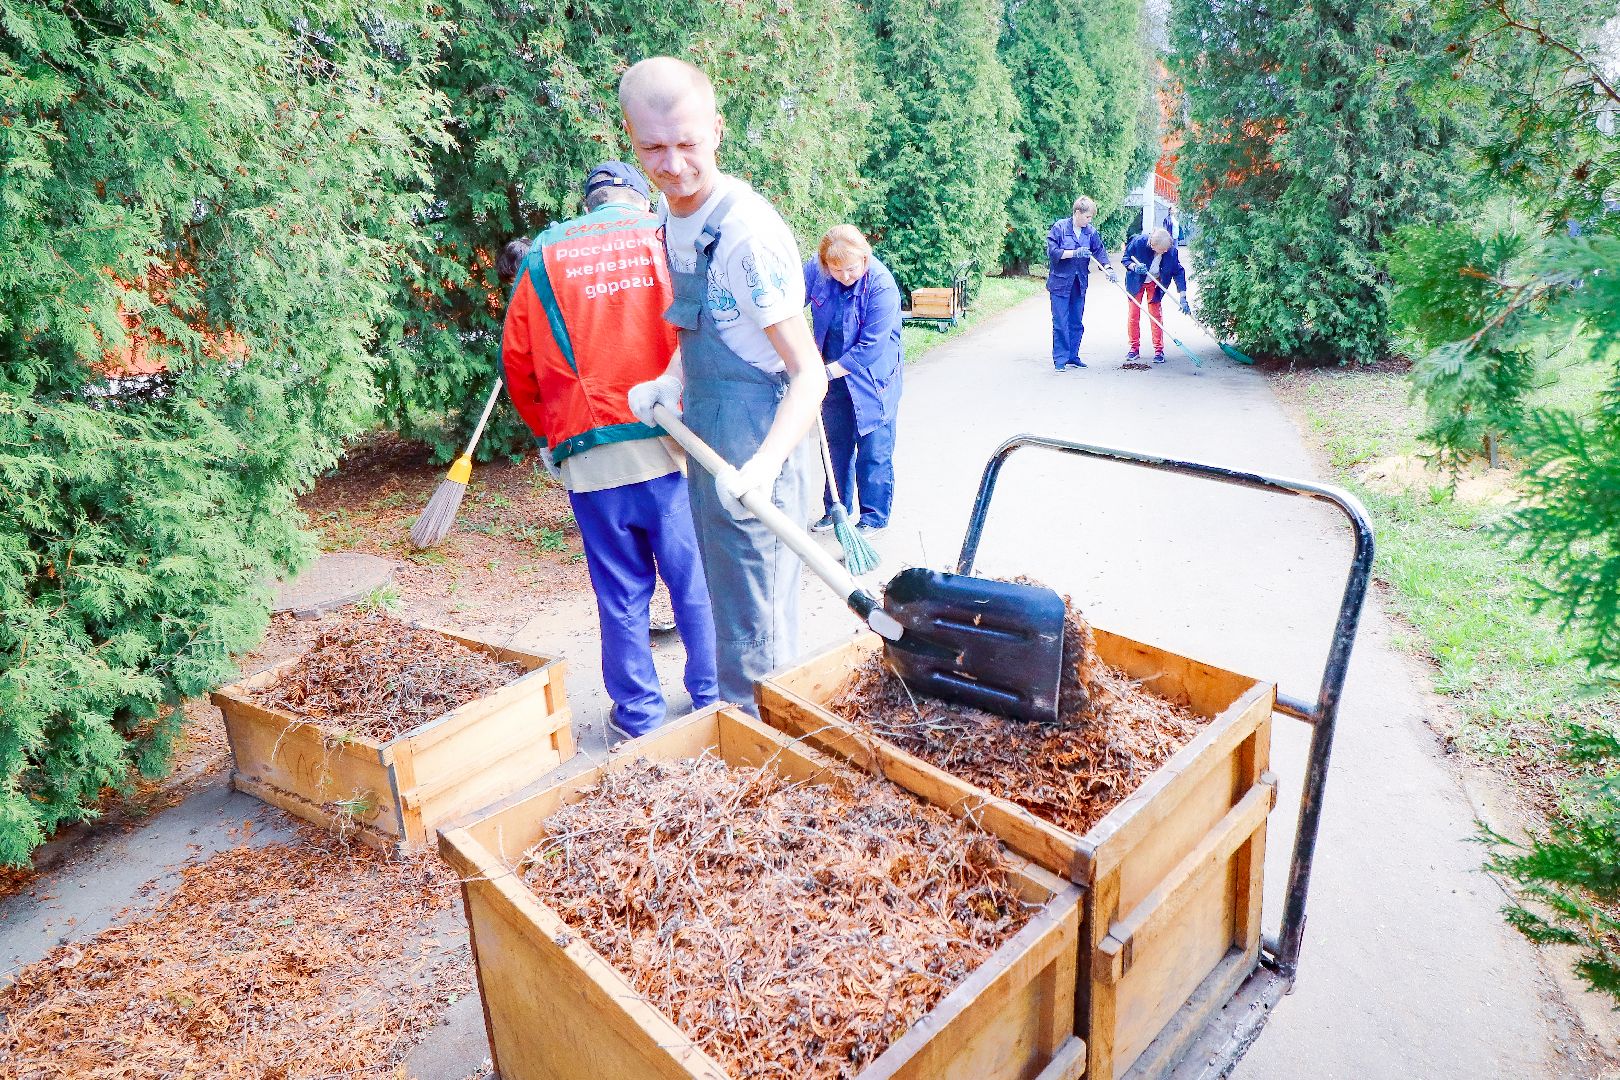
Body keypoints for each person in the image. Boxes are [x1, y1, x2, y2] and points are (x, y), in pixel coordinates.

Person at [621, 57, 827, 715]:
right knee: (728, 608)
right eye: (654, 148)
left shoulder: (747, 237)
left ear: (717, 128)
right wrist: (670, 379)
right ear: (632, 140)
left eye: (687, 143)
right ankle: (743, 736)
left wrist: (763, 467)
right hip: (711, 434)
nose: (673, 165)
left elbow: (808, 374)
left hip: (762, 438)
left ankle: (769, 750)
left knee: (760, 635)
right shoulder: (671, 215)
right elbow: (705, 320)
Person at [500, 160, 719, 739]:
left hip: (589, 447)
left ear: (590, 204)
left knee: (620, 591)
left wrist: (547, 438)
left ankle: (638, 715)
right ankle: (713, 693)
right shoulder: (666, 235)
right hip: (676, 440)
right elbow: (708, 328)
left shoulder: (543, 254)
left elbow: (517, 363)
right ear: (640, 197)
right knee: (694, 580)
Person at [804, 225, 902, 535]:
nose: (845, 276)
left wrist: (824, 372)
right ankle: (837, 510)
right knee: (835, 445)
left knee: (874, 449)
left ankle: (873, 517)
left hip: (873, 381)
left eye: (851, 269)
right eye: (837, 270)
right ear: (825, 264)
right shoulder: (816, 271)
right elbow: (790, 306)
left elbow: (870, 347)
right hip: (832, 379)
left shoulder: (882, 286)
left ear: (864, 258)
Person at [1045, 195, 1117, 371]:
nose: (1089, 220)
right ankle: (1060, 359)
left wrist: (1108, 269)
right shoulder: (1060, 228)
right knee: (1060, 322)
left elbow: (1099, 252)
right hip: (1060, 283)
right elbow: (1053, 252)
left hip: (1079, 283)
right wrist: (1074, 253)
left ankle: (1073, 356)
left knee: (1076, 322)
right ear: (1077, 213)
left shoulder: (1090, 232)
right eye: (1087, 216)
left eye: (1090, 217)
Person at [1121, 227, 1191, 365]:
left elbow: (1178, 271)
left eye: (1166, 249)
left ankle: (1159, 350)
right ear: (1153, 245)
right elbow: (1126, 259)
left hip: (1156, 282)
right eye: (1162, 249)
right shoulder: (1139, 242)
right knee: (1134, 315)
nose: (1165, 251)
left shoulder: (1170, 251)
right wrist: (1134, 267)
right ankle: (1134, 348)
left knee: (1156, 316)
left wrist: (1183, 297)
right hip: (1136, 281)